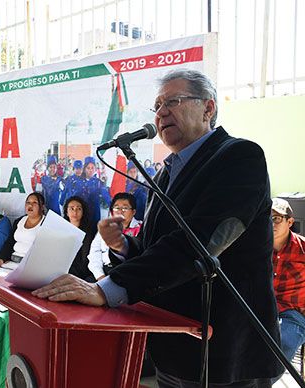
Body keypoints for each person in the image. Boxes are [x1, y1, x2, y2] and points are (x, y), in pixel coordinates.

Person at [33, 69, 283, 387]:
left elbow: (199, 244)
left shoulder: (239, 157)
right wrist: (123, 246)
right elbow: (159, 249)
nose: (161, 112)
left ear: (208, 108)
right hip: (173, 347)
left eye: (173, 101)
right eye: (158, 105)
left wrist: (105, 289)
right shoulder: (166, 173)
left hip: (225, 349)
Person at [270, 198, 305, 364]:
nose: (271, 223)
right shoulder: (256, 247)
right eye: (267, 219)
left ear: (290, 221)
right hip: (260, 307)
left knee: (283, 343)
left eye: (276, 218)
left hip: (293, 313)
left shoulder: (303, 248)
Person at [88, 192, 141, 281]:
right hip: (104, 272)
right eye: (116, 208)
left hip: (129, 274)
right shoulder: (106, 229)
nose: (120, 211)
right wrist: (100, 277)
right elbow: (94, 253)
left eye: (125, 208)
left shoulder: (140, 228)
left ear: (133, 212)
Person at [0, 192, 46, 267]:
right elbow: (9, 243)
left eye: (35, 202)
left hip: (32, 265)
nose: (30, 205)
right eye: (28, 202)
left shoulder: (46, 223)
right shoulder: (19, 221)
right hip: (12, 261)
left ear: (42, 207)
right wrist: (2, 259)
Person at [62, 196, 96, 282]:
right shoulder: (61, 229)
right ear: (66, 212)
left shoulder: (91, 230)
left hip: (84, 271)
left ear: (83, 212)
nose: (75, 212)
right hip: (64, 269)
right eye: (71, 208)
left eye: (79, 209)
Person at [78, 156, 111, 224]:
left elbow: (105, 195)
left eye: (92, 168)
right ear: (84, 169)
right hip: (83, 213)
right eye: (88, 168)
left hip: (95, 214)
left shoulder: (98, 182)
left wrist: (112, 205)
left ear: (95, 169)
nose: (90, 170)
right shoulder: (79, 182)